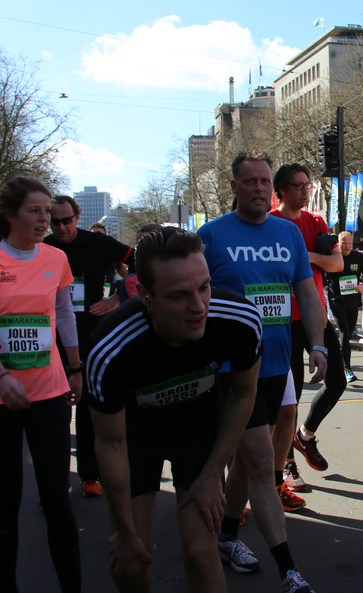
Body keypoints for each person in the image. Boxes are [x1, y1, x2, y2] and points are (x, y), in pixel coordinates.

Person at [86, 227, 261, 593]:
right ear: (145, 295)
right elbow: (111, 444)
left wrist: (213, 474)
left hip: (196, 427)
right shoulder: (110, 349)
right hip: (135, 436)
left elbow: (244, 393)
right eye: (179, 295)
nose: (198, 306)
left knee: (201, 553)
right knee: (131, 563)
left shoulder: (239, 320)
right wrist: (123, 531)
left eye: (204, 287)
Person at [197, 152, 323, 593]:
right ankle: (288, 570)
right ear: (234, 186)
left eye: (264, 181)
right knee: (261, 461)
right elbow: (192, 297)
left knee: (251, 461)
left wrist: (318, 344)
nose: (258, 188)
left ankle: (227, 535)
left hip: (275, 366)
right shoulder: (210, 236)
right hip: (230, 371)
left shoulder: (288, 234)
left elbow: (306, 293)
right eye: (249, 181)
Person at [0, 176, 83, 593]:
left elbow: (64, 314)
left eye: (47, 212)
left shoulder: (56, 258)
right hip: (0, 397)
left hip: (49, 391)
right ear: (10, 216)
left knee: (56, 497)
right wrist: (0, 374)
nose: (44, 219)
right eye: (35, 211)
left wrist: (75, 367)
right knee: (6, 499)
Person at [45, 195, 133, 498]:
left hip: (91, 334)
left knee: (86, 406)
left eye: (66, 221)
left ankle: (89, 475)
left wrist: (117, 298)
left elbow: (140, 262)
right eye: (55, 222)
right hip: (52, 337)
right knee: (53, 410)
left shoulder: (96, 243)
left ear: (77, 217)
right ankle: (55, 482)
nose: (61, 227)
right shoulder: (43, 247)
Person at [269, 163, 346, 493]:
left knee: (338, 381)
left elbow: (337, 263)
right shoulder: (269, 222)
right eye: (298, 185)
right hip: (282, 319)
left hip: (315, 316)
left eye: (307, 185)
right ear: (282, 190)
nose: (305, 190)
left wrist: (307, 256)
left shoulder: (316, 222)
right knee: (290, 396)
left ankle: (306, 434)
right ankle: (287, 463)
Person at [327, 231, 363, 382]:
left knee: (348, 333)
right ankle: (347, 369)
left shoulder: (358, 257)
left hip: (353, 302)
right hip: (337, 302)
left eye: (349, 244)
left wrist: (362, 286)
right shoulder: (331, 257)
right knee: (345, 333)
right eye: (344, 243)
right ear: (338, 243)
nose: (347, 246)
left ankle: (337, 357)